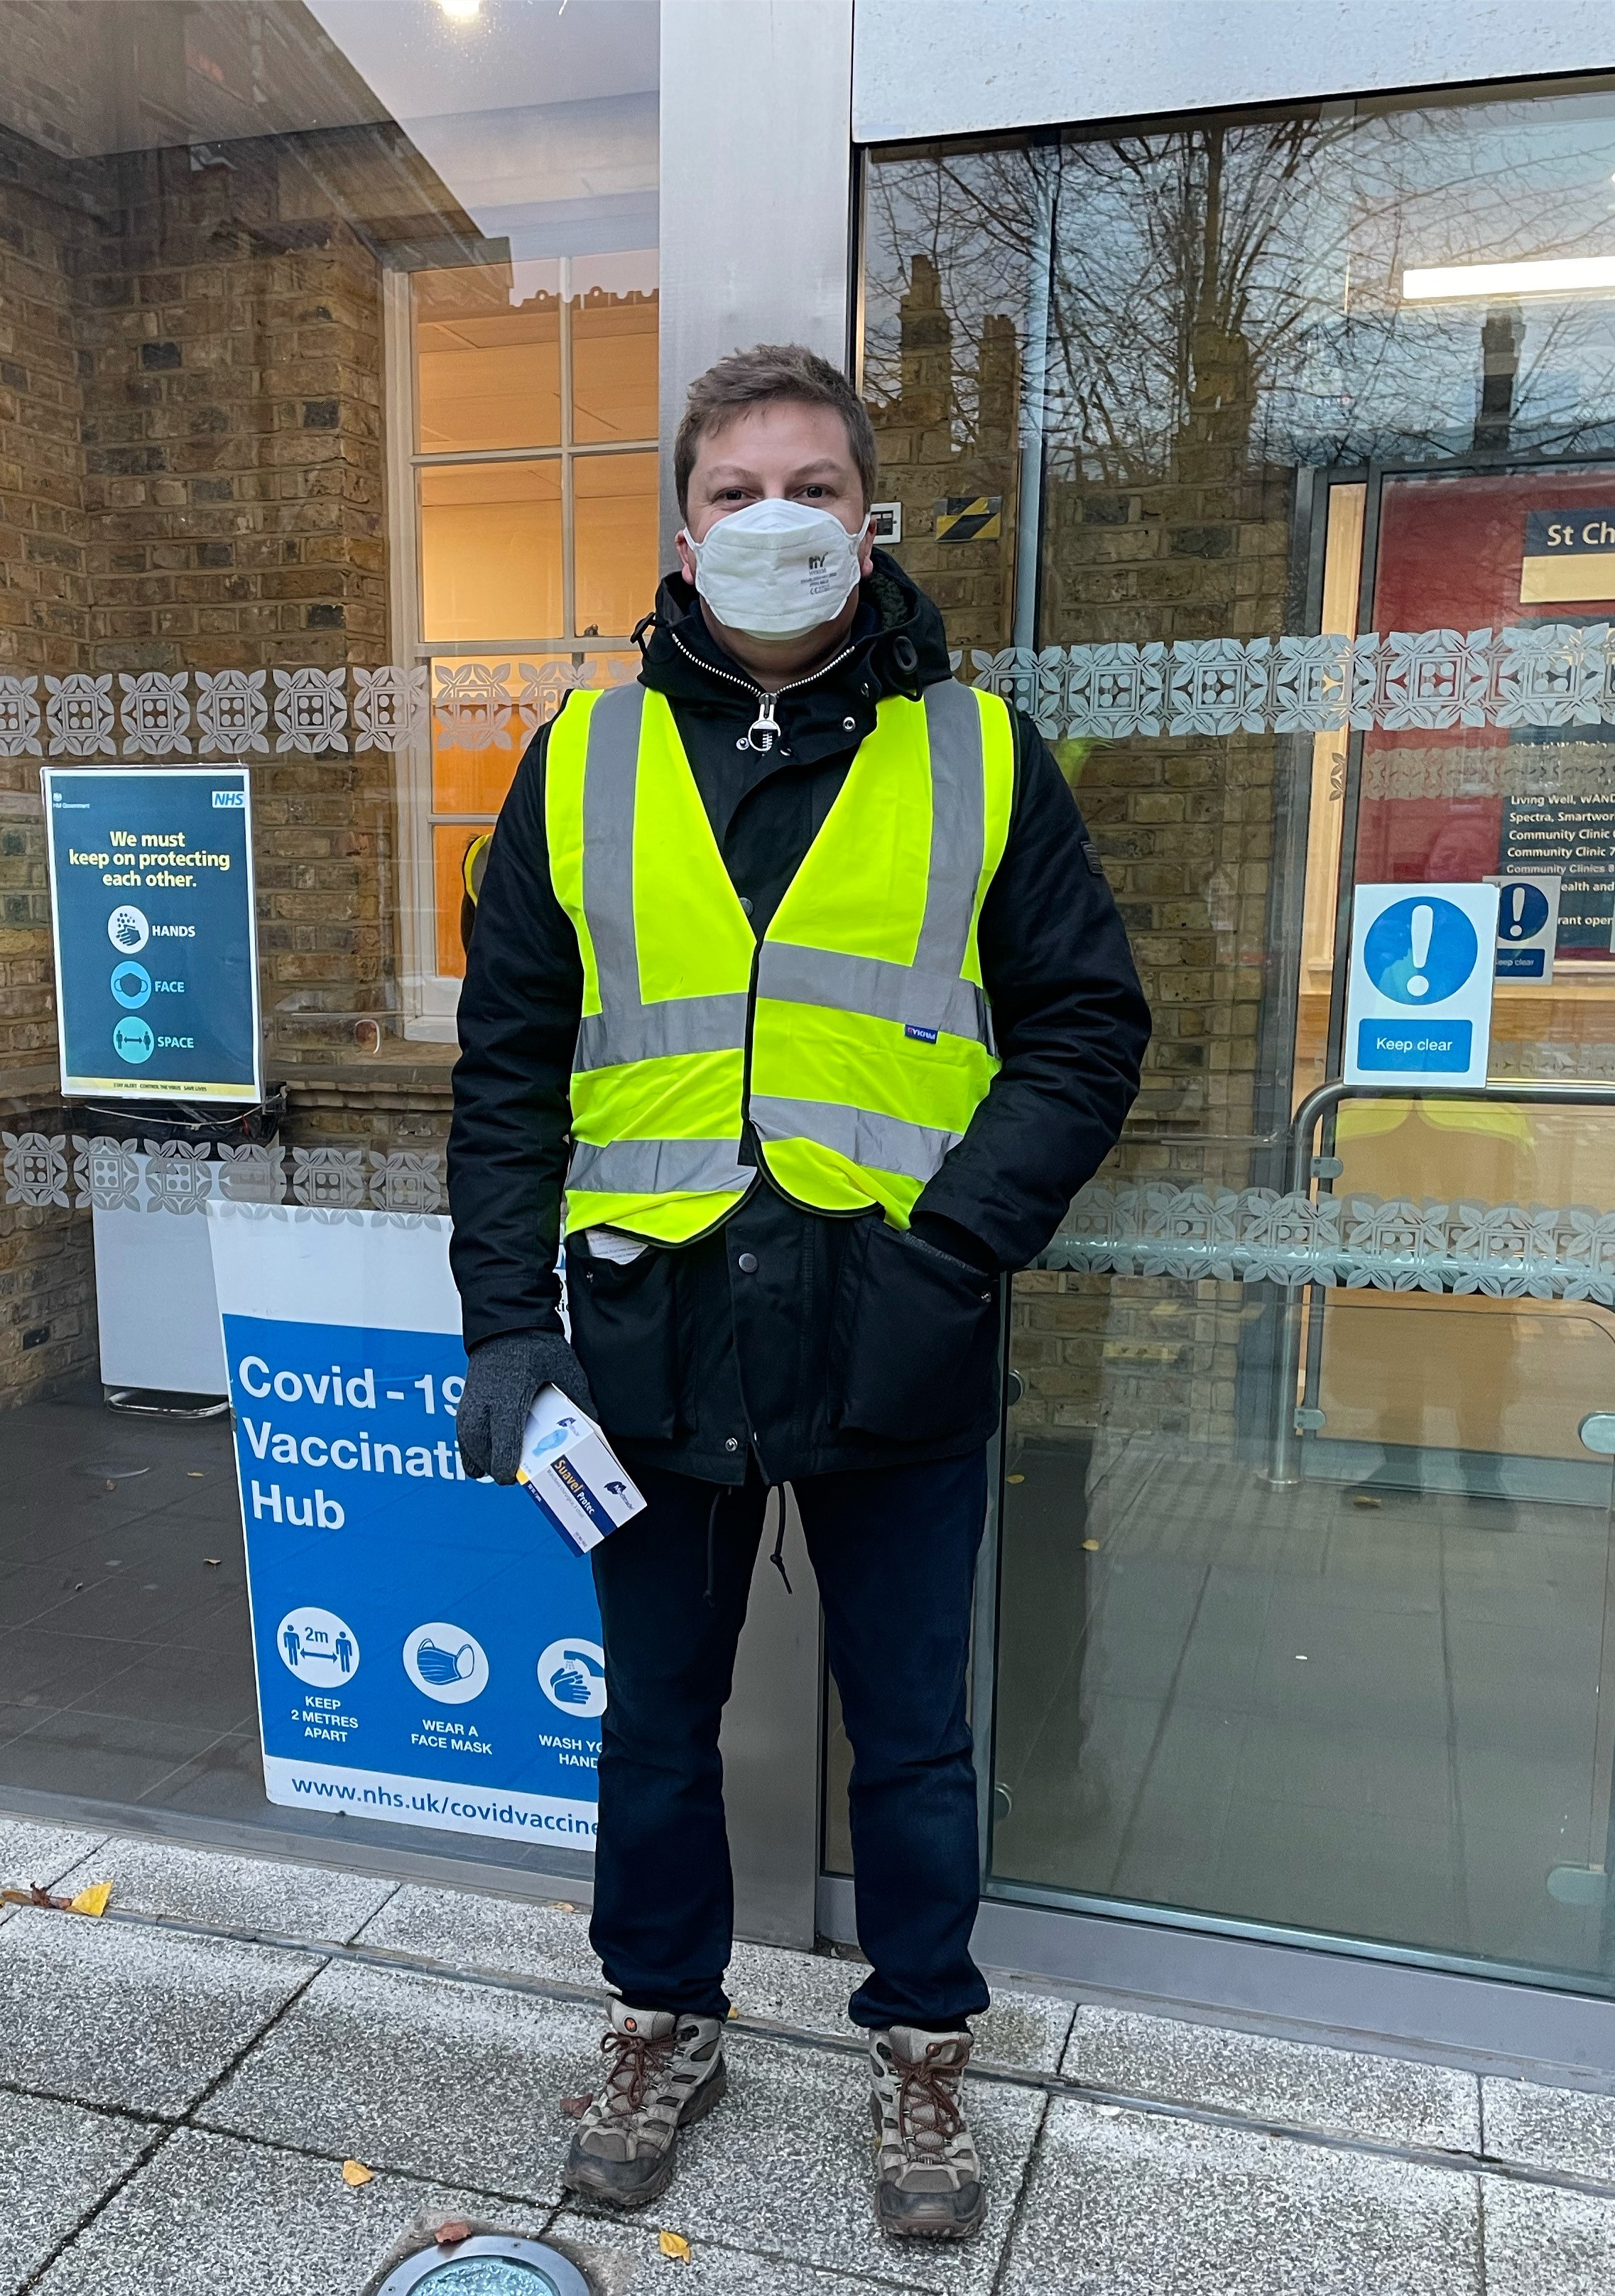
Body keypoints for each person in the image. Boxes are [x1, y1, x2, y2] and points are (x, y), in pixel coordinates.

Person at [447, 344, 1148, 2242]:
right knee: (656, 1726)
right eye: (740, 488)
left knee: (909, 1730)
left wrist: (953, 1250)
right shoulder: (581, 759)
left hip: (892, 1331)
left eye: (815, 488)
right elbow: (507, 1066)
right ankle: (664, 2020)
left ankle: (925, 2051)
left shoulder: (975, 749)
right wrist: (508, 1329)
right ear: (683, 529)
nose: (779, 519)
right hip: (653, 1328)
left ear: (870, 520)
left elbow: (1087, 1030)